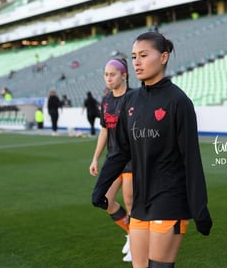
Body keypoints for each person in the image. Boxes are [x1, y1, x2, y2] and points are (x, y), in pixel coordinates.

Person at [92, 31, 212, 268]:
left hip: (170, 200)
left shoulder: (178, 102)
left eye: (144, 55)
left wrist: (200, 209)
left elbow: (191, 158)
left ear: (164, 57)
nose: (137, 62)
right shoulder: (130, 101)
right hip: (140, 202)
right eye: (134, 56)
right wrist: (101, 188)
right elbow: (120, 152)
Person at [90, 58, 133, 262]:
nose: (108, 78)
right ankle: (132, 233)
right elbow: (104, 131)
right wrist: (95, 159)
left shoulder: (134, 98)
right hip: (112, 160)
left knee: (130, 202)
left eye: (112, 74)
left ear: (123, 75)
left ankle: (137, 243)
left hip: (132, 161)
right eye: (106, 74)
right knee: (104, 200)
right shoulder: (106, 100)